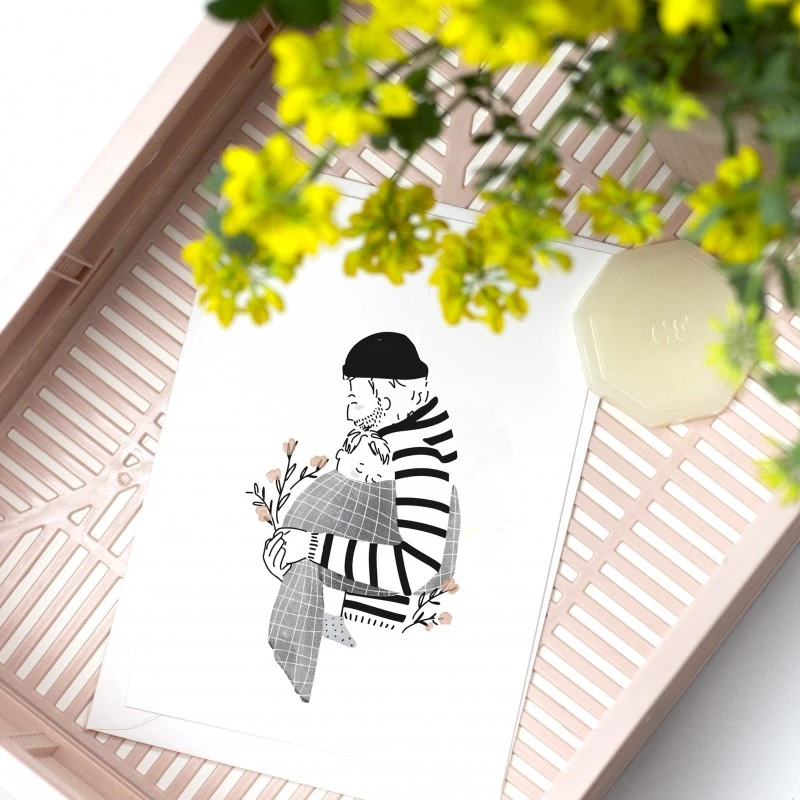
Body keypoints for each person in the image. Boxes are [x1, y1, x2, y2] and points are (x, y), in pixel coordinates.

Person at [263, 332, 460, 702]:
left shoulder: (419, 459)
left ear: (387, 393)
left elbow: (414, 566)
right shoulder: (389, 443)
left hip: (372, 621)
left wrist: (310, 547)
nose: (350, 409)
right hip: (335, 591)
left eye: (356, 395)